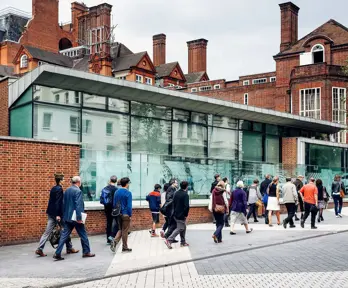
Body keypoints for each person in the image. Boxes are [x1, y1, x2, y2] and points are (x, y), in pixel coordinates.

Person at [35, 174, 79, 257]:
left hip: (51, 213)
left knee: (47, 232)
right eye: (63, 179)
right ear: (60, 180)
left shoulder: (53, 188)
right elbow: (58, 203)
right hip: (57, 214)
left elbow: (51, 202)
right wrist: (58, 215)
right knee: (66, 230)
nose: (64, 180)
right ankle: (69, 247)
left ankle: (40, 249)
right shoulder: (59, 189)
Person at [53, 176, 95, 261]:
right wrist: (79, 218)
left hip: (67, 217)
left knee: (64, 235)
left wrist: (63, 216)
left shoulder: (67, 190)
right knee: (83, 235)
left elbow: (63, 204)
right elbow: (78, 205)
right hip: (76, 217)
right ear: (78, 182)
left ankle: (57, 253)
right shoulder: (78, 191)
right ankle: (86, 252)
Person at [164, 181, 190, 249]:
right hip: (181, 214)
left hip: (175, 213)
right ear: (186, 187)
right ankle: (169, 240)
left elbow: (173, 203)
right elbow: (186, 206)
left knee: (183, 227)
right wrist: (185, 214)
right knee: (180, 228)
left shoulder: (176, 193)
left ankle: (183, 242)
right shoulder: (185, 195)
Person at [110, 177, 133, 253]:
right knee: (125, 230)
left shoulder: (117, 192)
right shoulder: (128, 193)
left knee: (120, 229)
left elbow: (114, 204)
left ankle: (115, 241)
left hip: (118, 213)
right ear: (127, 184)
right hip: (125, 213)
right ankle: (125, 247)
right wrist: (129, 214)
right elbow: (129, 206)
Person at [100, 175, 118, 244]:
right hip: (114, 208)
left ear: (110, 180)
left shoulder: (105, 188)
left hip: (107, 207)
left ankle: (108, 239)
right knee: (116, 223)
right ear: (116, 181)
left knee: (109, 223)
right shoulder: (116, 189)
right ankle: (114, 237)